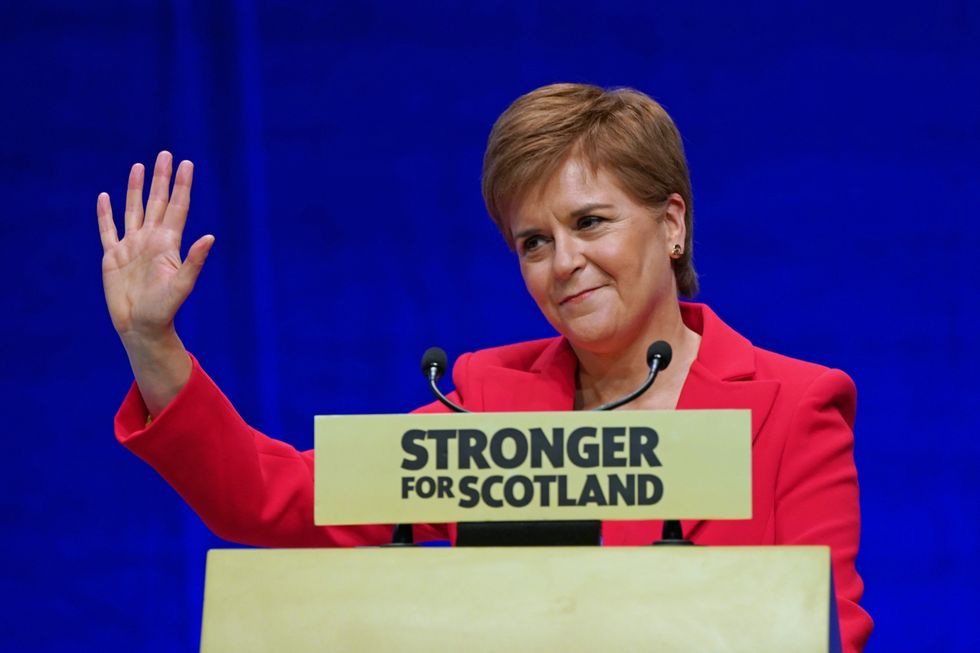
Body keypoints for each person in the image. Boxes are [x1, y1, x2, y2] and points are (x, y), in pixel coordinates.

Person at [98, 83, 872, 651]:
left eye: (589, 222)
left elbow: (827, 632)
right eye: (533, 241)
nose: (563, 262)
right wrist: (153, 345)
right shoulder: (491, 401)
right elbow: (276, 501)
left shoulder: (792, 404)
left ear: (671, 223)